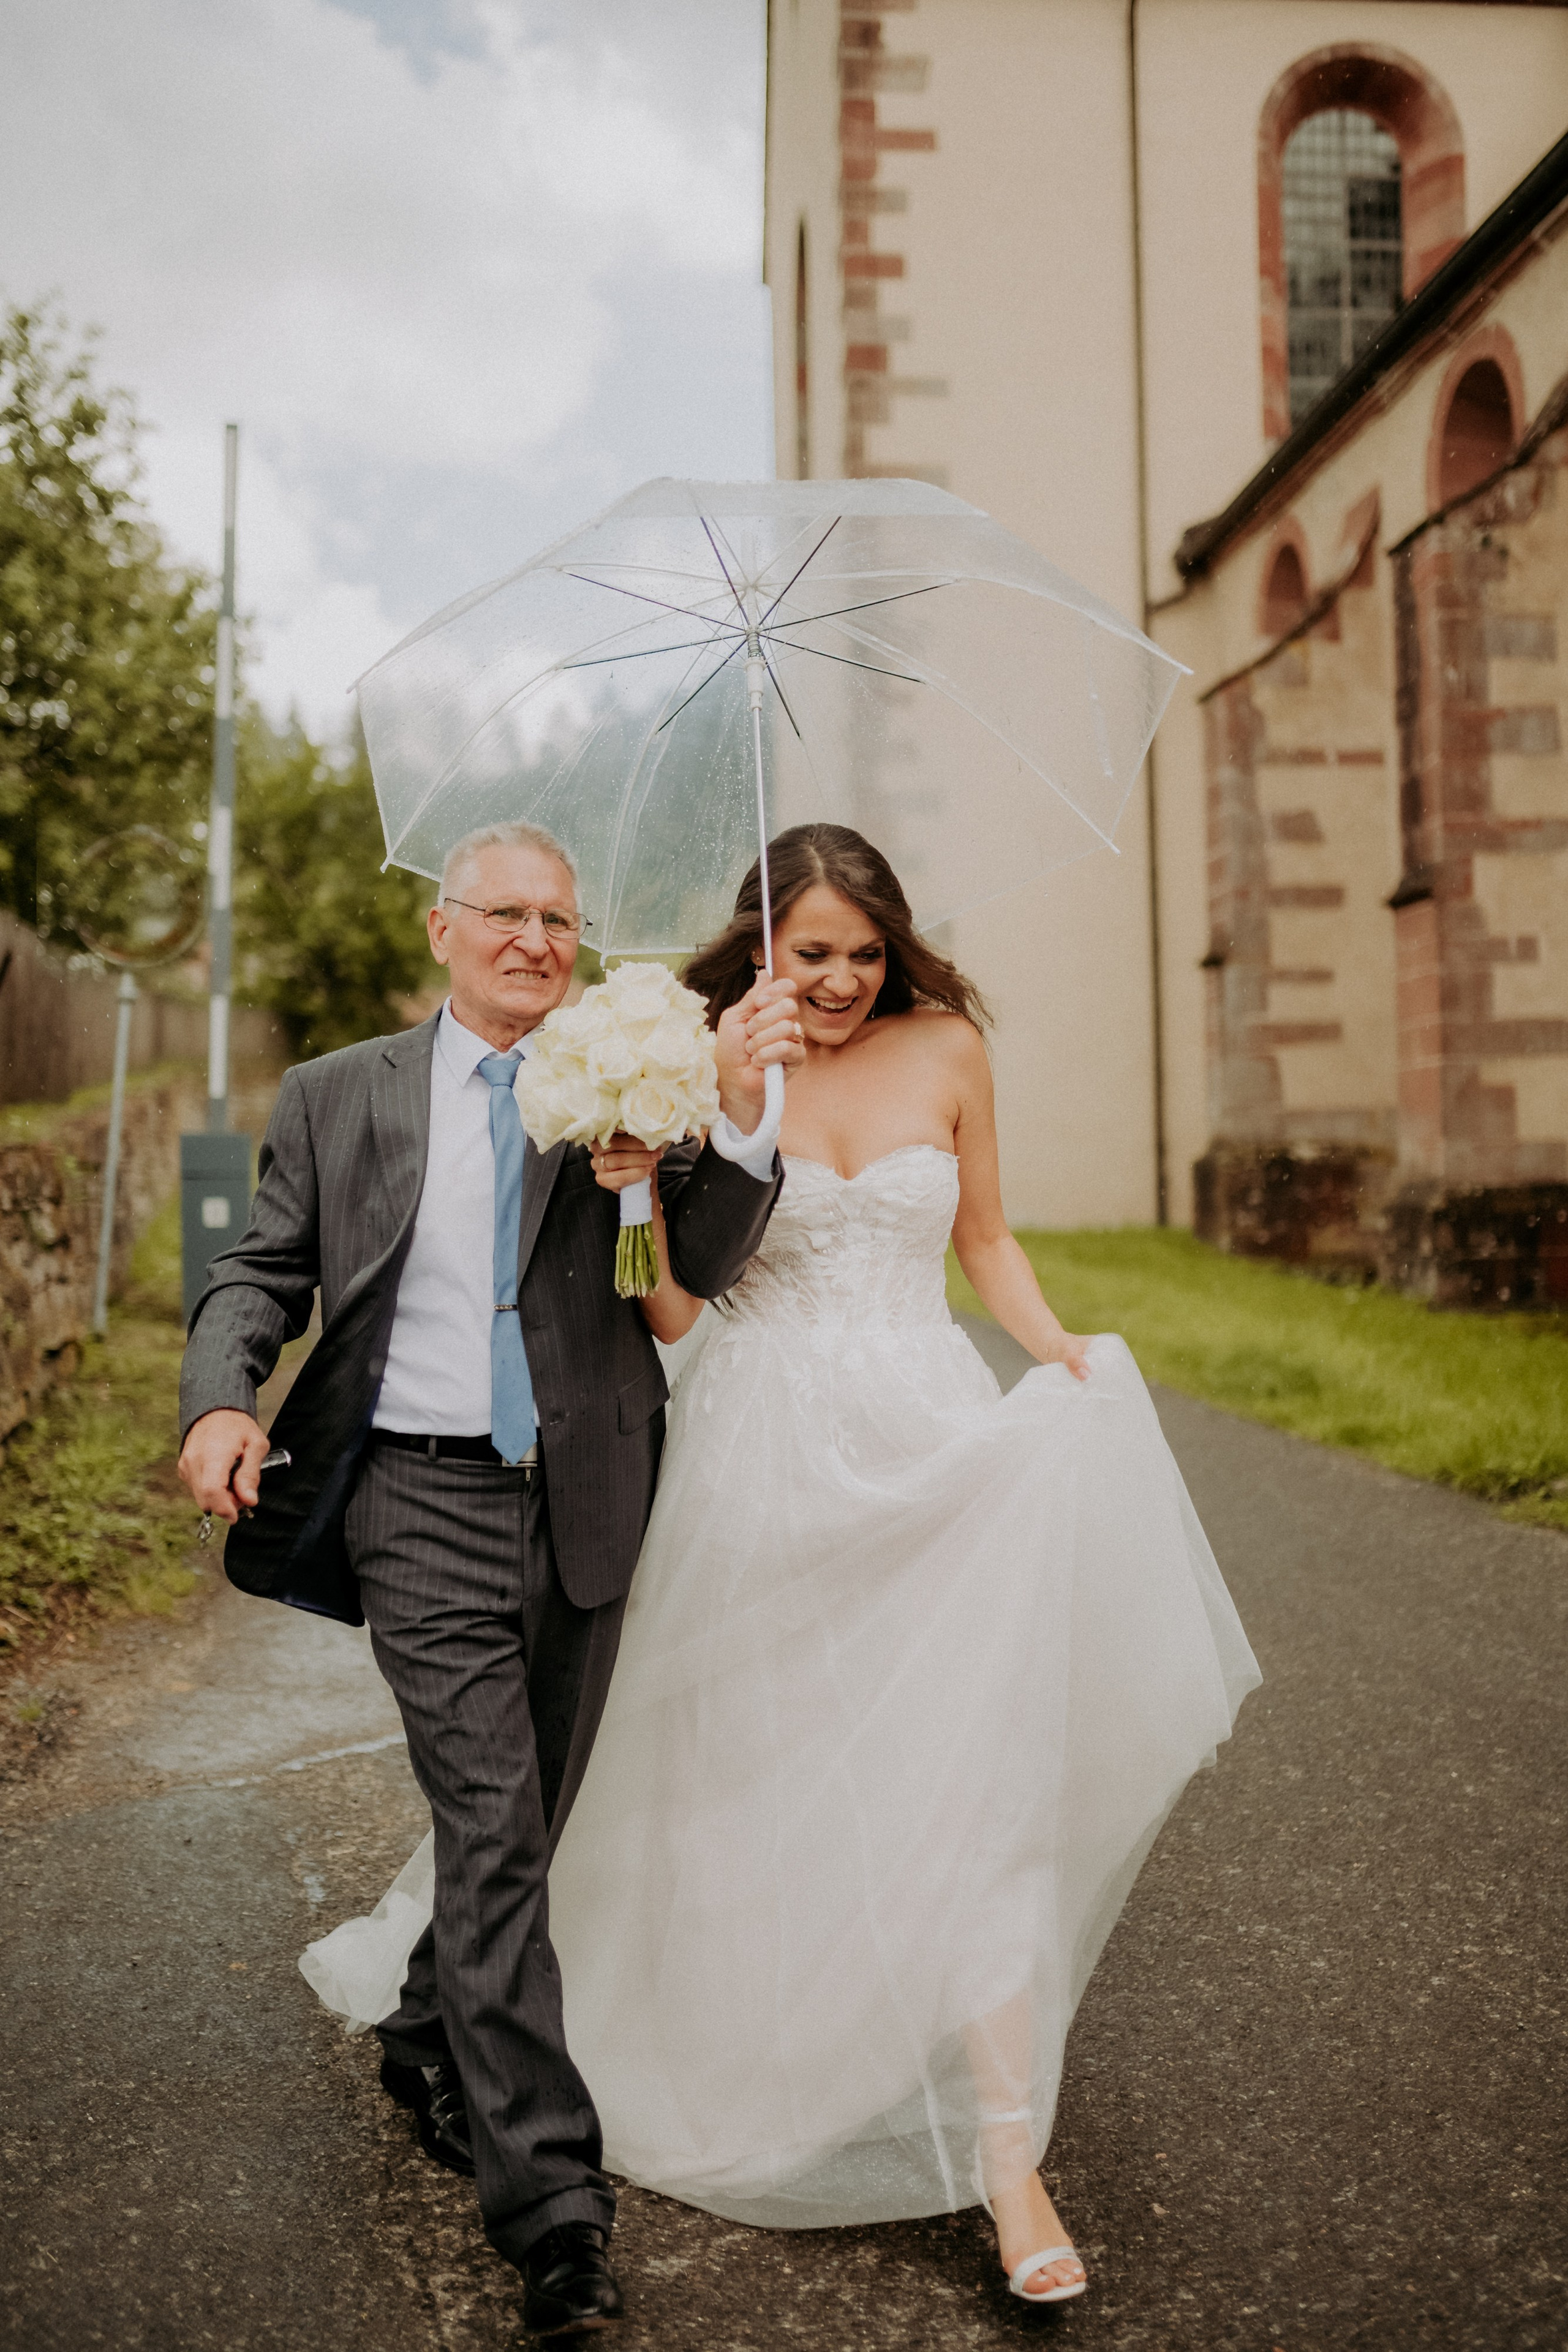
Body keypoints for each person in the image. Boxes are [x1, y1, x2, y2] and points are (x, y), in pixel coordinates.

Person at [306, 821, 1260, 2313]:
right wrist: (646, 1176)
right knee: (744, 1781)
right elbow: (676, 1314)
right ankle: (720, 2050)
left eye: (864, 953)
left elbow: (985, 1241)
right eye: (811, 951)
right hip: (761, 1460)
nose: (838, 979)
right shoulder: (699, 1058)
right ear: (761, 943)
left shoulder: (947, 1049)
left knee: (971, 1788)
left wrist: (1058, 1349)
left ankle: (1007, 2163)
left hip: (926, 1442)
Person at [178, 818, 803, 2339]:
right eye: (506, 914)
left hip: (590, 1487)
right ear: (442, 929)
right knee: (494, 1823)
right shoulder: (339, 1095)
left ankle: (423, 2028)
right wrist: (218, 1400)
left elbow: (706, 1267)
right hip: (417, 1496)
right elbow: (262, 1269)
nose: (535, 941)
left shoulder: (627, 1070)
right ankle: (553, 2212)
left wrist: (721, 1125)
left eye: (559, 921)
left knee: (531, 1821)